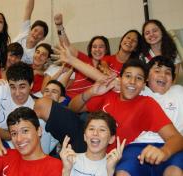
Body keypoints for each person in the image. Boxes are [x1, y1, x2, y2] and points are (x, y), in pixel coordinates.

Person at [34, 59, 183, 176]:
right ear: (120, 78)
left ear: (143, 84)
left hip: (104, 153)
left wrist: (164, 151)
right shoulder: (108, 93)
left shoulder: (147, 104)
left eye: (138, 78)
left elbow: (175, 137)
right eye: (128, 76)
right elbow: (73, 108)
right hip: (84, 137)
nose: (132, 82)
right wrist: (92, 91)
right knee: (43, 103)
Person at [0, 107, 62, 176]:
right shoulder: (6, 155)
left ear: (39, 131)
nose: (19, 139)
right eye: (14, 133)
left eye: (25, 131)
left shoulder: (55, 166)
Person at [133, 56, 183, 175]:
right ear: (146, 77)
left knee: (174, 170)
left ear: (172, 80)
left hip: (174, 146)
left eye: (168, 73)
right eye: (157, 70)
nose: (162, 75)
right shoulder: (139, 90)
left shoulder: (178, 91)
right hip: (139, 145)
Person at [52, 13, 111, 98]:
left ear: (106, 50)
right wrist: (59, 26)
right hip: (69, 98)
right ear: (90, 49)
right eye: (94, 47)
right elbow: (67, 46)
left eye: (101, 47)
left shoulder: (109, 66)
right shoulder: (84, 59)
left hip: (88, 105)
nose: (97, 50)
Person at [60, 111, 125, 176]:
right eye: (91, 129)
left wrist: (110, 172)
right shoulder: (70, 159)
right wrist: (66, 170)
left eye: (102, 130)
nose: (95, 133)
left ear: (111, 139)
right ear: (85, 136)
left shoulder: (115, 167)